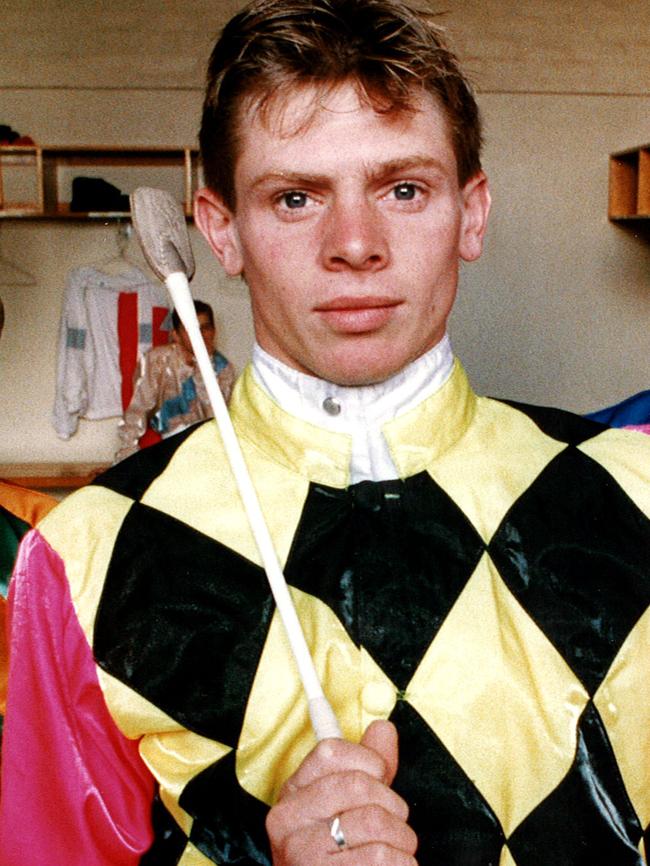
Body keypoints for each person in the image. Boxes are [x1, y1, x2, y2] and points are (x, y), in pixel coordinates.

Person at [1, 1, 649, 864]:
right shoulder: (84, 559)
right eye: (297, 197)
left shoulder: (635, 492)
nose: (354, 244)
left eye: (404, 189)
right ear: (222, 229)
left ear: (473, 212)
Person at [114, 299, 236, 462]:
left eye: (205, 328)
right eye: (191, 329)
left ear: (214, 331)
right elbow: (137, 410)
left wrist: (203, 369)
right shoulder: (158, 360)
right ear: (176, 335)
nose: (200, 335)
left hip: (205, 451)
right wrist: (127, 458)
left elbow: (215, 422)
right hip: (163, 445)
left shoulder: (223, 368)